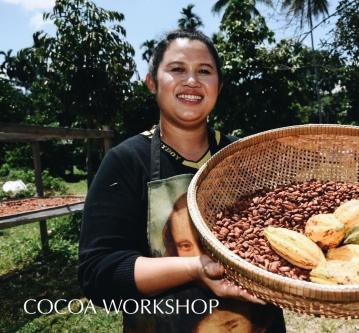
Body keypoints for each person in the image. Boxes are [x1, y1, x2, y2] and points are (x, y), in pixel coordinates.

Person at [78, 29, 286, 332]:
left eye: (204, 71)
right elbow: (98, 273)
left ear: (219, 86)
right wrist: (194, 268)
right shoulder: (126, 162)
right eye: (177, 69)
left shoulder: (246, 158)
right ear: (152, 82)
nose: (192, 81)